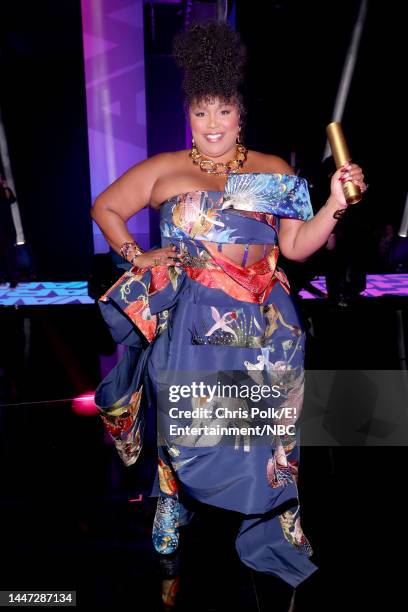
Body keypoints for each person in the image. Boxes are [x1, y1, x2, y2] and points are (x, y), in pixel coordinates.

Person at [90, 22, 367, 610]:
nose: (211, 125)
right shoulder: (165, 169)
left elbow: (295, 247)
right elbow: (106, 206)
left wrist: (335, 207)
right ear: (187, 118)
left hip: (264, 323)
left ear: (240, 115)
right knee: (188, 424)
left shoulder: (271, 171)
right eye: (199, 114)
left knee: (262, 435)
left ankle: (274, 520)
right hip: (192, 317)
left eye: (222, 112)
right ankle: (171, 501)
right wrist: (139, 256)